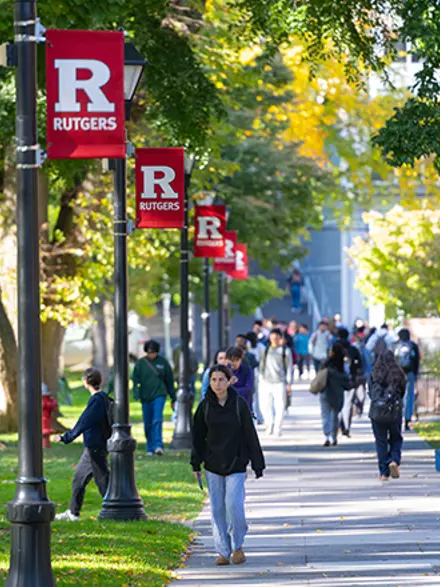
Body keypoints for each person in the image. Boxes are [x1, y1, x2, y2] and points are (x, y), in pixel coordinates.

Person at [191, 364, 265, 566]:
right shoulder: (204, 406)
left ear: (229, 381)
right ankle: (223, 551)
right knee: (217, 509)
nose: (217, 384)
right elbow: (197, 437)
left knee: (234, 506)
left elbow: (250, 434)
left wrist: (257, 463)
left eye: (221, 379)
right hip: (213, 464)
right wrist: (195, 462)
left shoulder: (238, 404)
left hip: (236, 463)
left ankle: (238, 545)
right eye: (213, 380)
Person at [55, 368, 111, 521]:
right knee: (83, 480)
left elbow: (84, 421)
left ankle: (114, 508)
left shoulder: (96, 401)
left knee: (103, 481)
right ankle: (74, 512)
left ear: (86, 382)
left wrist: (66, 437)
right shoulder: (104, 398)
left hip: (95, 446)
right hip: (98, 445)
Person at [132, 340, 175, 456]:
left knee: (157, 419)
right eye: (149, 352)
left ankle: (158, 445)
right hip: (145, 396)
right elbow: (135, 380)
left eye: (154, 352)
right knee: (147, 423)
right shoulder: (141, 363)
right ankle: (149, 447)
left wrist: (173, 397)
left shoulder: (163, 362)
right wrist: (136, 393)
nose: (152, 354)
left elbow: (169, 381)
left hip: (159, 395)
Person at [369, 350, 406, 481]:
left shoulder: (374, 374)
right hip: (394, 411)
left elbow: (371, 393)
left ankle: (384, 473)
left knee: (381, 442)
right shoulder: (399, 374)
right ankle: (394, 460)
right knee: (396, 438)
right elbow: (402, 392)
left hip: (378, 413)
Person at [259, 328, 293, 436]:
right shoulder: (266, 350)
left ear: (280, 338)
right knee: (265, 406)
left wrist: (289, 383)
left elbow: (289, 368)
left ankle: (277, 428)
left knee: (280, 406)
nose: (274, 338)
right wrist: (261, 378)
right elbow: (261, 365)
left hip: (280, 382)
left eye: (277, 336)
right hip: (266, 382)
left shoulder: (285, 351)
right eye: (273, 336)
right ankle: (269, 425)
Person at [318, 343, 352, 446]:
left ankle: (326, 436)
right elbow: (347, 383)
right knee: (335, 416)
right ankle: (334, 437)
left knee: (325, 415)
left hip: (325, 392)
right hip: (338, 394)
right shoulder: (343, 367)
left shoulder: (324, 364)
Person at [336, 327, 363, 437]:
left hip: (336, 380)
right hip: (350, 380)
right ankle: (346, 427)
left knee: (336, 404)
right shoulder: (353, 349)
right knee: (347, 404)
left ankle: (338, 425)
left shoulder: (333, 349)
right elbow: (359, 366)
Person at [394, 328, 420, 431]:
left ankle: (397, 419)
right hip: (410, 373)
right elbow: (417, 362)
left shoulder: (394, 345)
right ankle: (407, 420)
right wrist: (415, 374)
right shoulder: (413, 346)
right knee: (409, 397)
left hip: (397, 375)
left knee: (397, 397)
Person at [246, 331, 266, 424]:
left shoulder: (260, 347)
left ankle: (258, 416)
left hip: (257, 374)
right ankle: (256, 417)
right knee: (255, 397)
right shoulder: (249, 347)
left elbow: (263, 361)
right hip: (254, 374)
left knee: (255, 397)